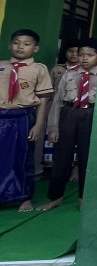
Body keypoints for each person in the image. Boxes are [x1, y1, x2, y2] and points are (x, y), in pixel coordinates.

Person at [40, 38, 97, 211]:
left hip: (91, 114)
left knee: (87, 158)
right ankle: (55, 197)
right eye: (81, 54)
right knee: (62, 157)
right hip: (68, 113)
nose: (84, 58)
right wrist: (53, 127)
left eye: (90, 55)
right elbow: (58, 101)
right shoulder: (68, 74)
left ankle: (84, 197)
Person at [0, 28, 53, 212]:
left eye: (26, 43)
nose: (20, 47)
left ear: (35, 48)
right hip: (1, 115)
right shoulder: (1, 65)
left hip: (22, 116)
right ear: (9, 45)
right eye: (16, 42)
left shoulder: (39, 69)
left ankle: (24, 197)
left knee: (22, 157)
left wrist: (39, 124)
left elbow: (43, 99)